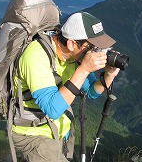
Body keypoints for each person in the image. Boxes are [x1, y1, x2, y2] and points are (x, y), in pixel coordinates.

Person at [11, 11, 120, 161]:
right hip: (33, 134)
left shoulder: (74, 58)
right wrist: (84, 69)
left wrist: (109, 75)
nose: (97, 52)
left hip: (60, 131)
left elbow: (90, 92)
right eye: (94, 47)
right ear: (72, 44)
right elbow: (52, 109)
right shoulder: (36, 56)